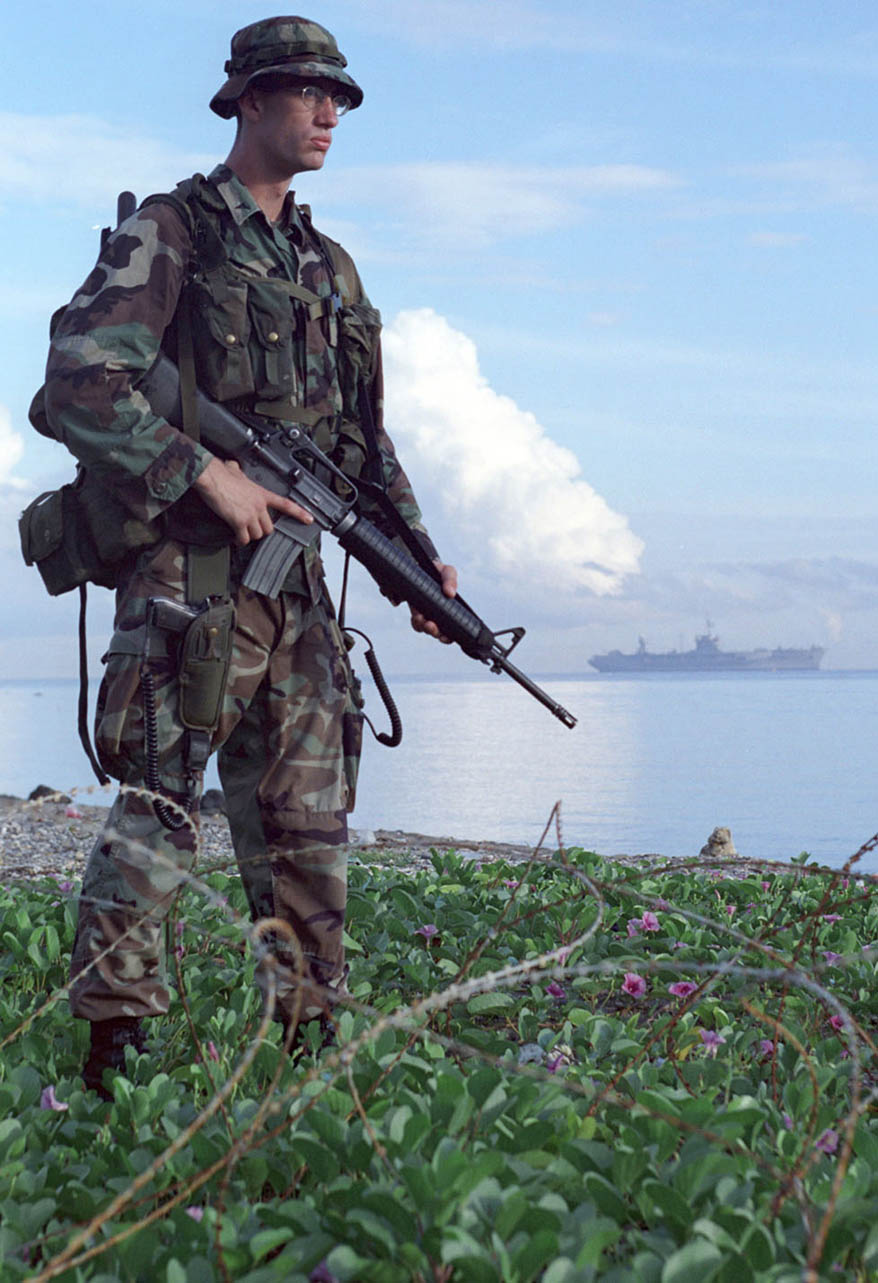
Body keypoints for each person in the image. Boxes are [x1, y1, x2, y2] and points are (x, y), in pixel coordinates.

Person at [43, 15, 457, 1097]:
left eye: (339, 99)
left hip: (299, 587)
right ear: (248, 101)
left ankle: (310, 1051)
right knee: (162, 810)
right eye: (309, 93)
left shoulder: (330, 268)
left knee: (309, 827)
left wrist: (417, 562)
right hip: (191, 583)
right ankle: (114, 1060)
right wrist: (201, 474)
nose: (329, 114)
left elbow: (363, 441)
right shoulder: (175, 231)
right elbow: (79, 380)